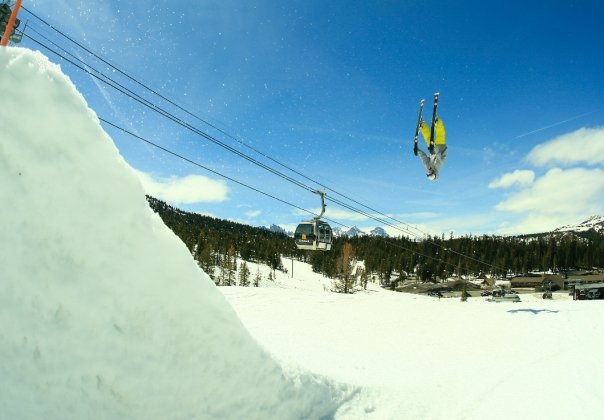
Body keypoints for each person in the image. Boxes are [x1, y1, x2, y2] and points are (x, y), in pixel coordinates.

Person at [414, 116, 447, 181]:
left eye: (428, 173)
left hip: (433, 150)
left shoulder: (428, 167)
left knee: (428, 139)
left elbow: (424, 157)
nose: (428, 171)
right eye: (430, 173)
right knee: (440, 135)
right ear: (434, 172)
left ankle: (422, 125)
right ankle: (437, 122)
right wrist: (434, 147)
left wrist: (417, 150)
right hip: (441, 148)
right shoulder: (438, 165)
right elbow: (438, 155)